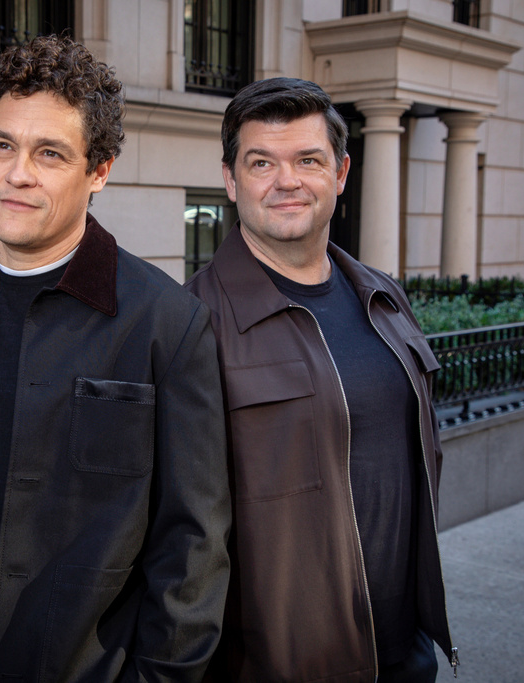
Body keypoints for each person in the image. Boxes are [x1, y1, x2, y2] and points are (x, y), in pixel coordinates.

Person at [0, 36, 231, 683]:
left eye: (49, 153)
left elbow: (192, 549)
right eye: (2, 145)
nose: (17, 173)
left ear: (99, 169)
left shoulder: (166, 323)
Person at [185, 77, 458, 682]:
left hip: (406, 655)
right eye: (261, 163)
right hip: (279, 667)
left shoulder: (384, 297)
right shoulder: (189, 324)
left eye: (308, 159)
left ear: (339, 173)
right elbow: (170, 535)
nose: (287, 181)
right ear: (231, 180)